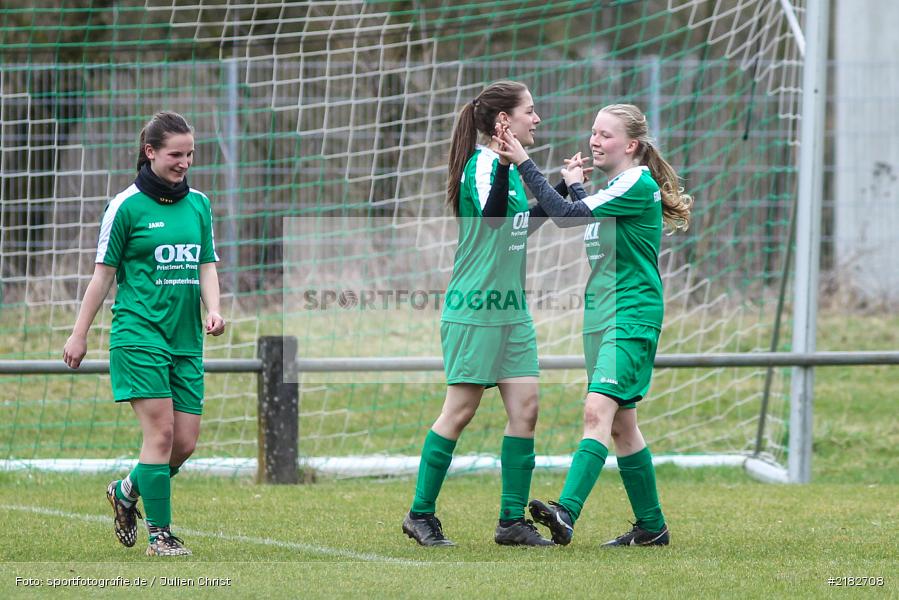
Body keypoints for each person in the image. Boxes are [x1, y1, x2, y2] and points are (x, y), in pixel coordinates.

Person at [493, 103, 692, 547]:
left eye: (605, 135)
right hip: (600, 313)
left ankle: (566, 511)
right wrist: (578, 186)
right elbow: (583, 213)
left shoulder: (638, 182)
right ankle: (651, 527)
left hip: (631, 313)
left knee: (597, 411)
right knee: (622, 426)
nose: (594, 141)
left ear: (631, 145)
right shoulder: (618, 185)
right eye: (593, 133)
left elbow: (566, 217)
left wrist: (525, 164)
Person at [402, 80, 563, 547]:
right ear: (503, 122)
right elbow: (492, 220)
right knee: (460, 410)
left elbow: (515, 228)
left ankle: (511, 521)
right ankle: (420, 515)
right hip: (474, 308)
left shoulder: (509, 170)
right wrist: (511, 163)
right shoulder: (483, 165)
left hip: (511, 311)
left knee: (526, 410)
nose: (537, 119)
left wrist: (559, 187)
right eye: (530, 111)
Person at [63, 111, 225, 556]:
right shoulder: (125, 206)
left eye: (190, 154)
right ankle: (161, 537)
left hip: (186, 339)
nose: (185, 162)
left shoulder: (200, 205)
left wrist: (214, 308)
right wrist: (80, 334)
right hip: (139, 334)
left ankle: (126, 490)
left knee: (185, 444)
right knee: (161, 435)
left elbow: (206, 263)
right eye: (176, 154)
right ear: (150, 152)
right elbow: (102, 278)